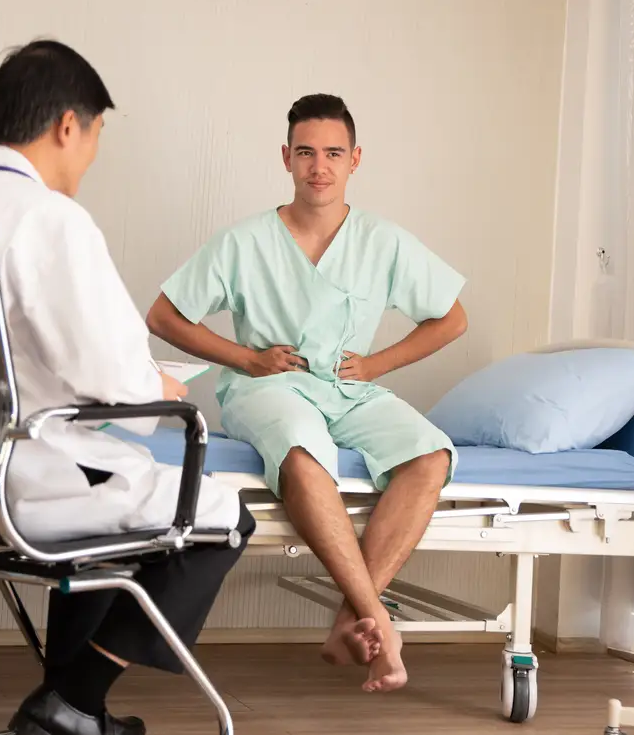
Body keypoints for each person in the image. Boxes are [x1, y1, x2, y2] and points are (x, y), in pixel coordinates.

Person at [0, 39, 253, 735]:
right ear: (68, 126)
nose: (92, 158)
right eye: (97, 136)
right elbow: (119, 388)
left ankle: (75, 710)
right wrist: (162, 384)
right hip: (15, 480)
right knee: (223, 516)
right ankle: (73, 700)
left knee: (100, 503)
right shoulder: (48, 219)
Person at [146, 93, 468, 694]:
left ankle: (353, 616)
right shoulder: (244, 242)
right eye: (306, 153)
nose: (319, 166)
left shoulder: (383, 240)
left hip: (348, 390)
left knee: (430, 455)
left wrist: (376, 364)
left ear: (355, 160)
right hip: (269, 389)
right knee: (301, 447)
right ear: (286, 160)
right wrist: (246, 357)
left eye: (333, 153)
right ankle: (383, 628)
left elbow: (451, 318)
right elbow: (163, 316)